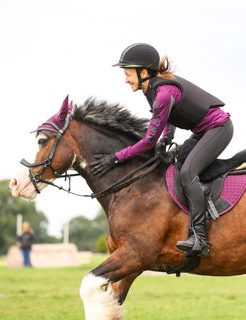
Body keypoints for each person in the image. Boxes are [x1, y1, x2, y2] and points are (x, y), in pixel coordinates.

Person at [90, 43, 233, 257]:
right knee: (180, 164)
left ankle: (200, 238)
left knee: (187, 173)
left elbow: (148, 141)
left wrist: (116, 158)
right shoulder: (154, 89)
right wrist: (167, 136)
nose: (126, 79)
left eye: (128, 74)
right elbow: (168, 117)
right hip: (204, 131)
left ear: (144, 72)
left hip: (218, 129)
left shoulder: (163, 92)